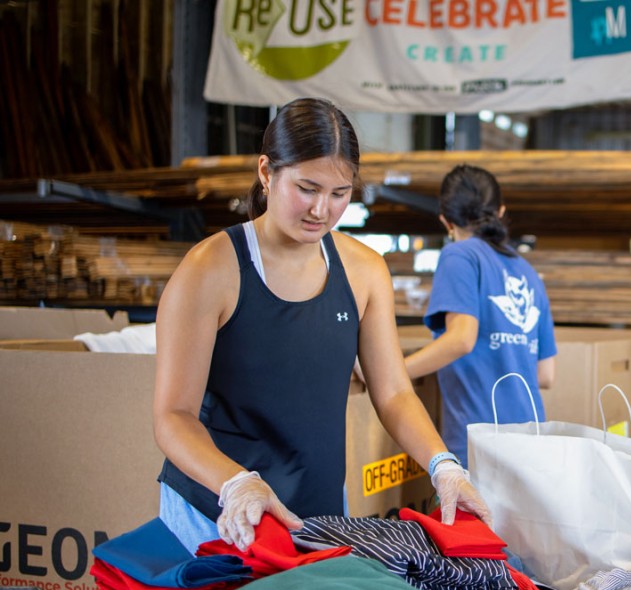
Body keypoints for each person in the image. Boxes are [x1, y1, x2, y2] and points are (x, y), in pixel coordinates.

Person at [153, 98, 490, 553]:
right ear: (267, 173)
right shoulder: (210, 269)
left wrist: (443, 465)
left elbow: (391, 392)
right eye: (307, 188)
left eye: (339, 194)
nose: (321, 210)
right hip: (219, 506)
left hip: (319, 507)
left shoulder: (364, 270)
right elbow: (173, 417)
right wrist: (235, 483)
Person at [404, 164, 557, 468]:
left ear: (446, 220)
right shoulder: (527, 272)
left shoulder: (459, 255)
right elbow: (545, 375)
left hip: (480, 446)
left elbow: (461, 339)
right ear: (500, 212)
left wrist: (391, 375)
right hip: (533, 443)